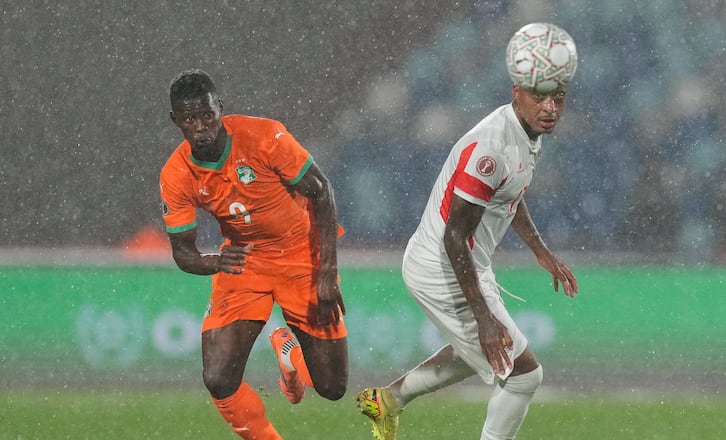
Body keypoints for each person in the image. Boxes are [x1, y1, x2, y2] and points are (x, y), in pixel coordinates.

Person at [356, 23, 580, 440]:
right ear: (516, 93)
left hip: (461, 262)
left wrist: (541, 252)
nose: (550, 107)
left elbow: (510, 196)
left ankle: (385, 401)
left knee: (481, 351)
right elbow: (454, 236)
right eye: (539, 96)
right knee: (522, 375)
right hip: (442, 266)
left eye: (558, 97)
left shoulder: (528, 133)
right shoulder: (491, 149)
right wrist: (482, 315)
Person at [159, 69, 347, 440]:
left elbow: (321, 190)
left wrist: (326, 270)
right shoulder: (176, 174)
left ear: (220, 108)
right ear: (175, 120)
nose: (200, 126)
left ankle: (289, 351)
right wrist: (216, 262)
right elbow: (183, 253)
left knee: (332, 387)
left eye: (207, 114)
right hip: (244, 259)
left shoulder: (264, 136)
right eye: (189, 118)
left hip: (301, 252)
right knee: (218, 378)